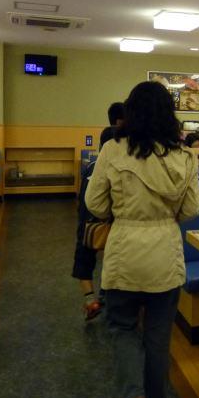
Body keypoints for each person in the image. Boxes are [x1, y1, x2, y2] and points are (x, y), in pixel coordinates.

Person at [85, 81, 199, 398]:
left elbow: (94, 203)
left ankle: (134, 396)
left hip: (124, 251)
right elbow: (191, 209)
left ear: (130, 112)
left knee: (121, 327)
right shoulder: (185, 157)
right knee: (157, 340)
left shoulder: (113, 151)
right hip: (164, 254)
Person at [73, 126, 116, 321]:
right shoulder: (118, 167)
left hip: (86, 220)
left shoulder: (91, 166)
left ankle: (91, 300)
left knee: (84, 258)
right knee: (112, 258)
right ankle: (106, 295)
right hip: (108, 222)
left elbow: (84, 197)